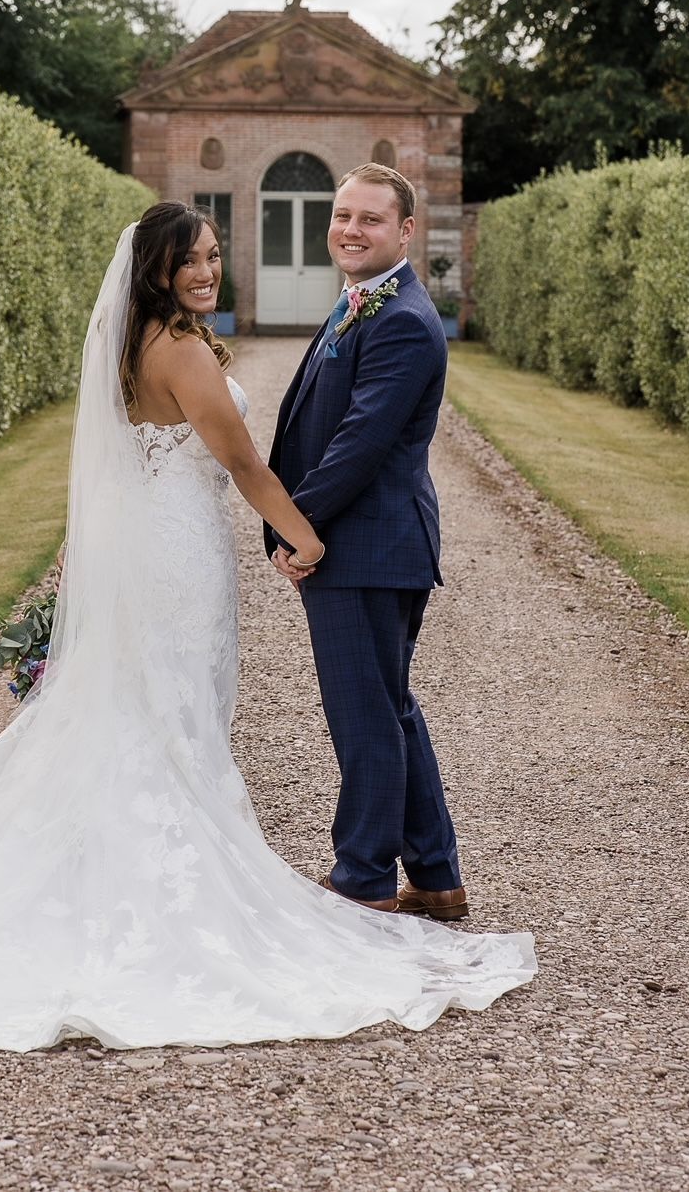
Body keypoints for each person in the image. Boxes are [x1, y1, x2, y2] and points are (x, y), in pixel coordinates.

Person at [0, 201, 534, 1054]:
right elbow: (238, 459)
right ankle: (189, 888)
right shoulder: (183, 348)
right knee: (173, 709)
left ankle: (379, 869)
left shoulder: (132, 341)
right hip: (176, 557)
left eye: (212, 256)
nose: (207, 271)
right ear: (155, 268)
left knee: (149, 703)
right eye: (191, 259)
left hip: (150, 547)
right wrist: (302, 534)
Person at [266, 163, 468, 916]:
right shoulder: (363, 301)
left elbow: (359, 444)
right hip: (367, 544)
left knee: (365, 718)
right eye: (343, 214)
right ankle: (437, 874)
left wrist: (298, 528)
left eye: (370, 219)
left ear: (406, 230)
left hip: (366, 546)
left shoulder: (405, 321)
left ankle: (363, 880)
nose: (350, 229)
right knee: (389, 707)